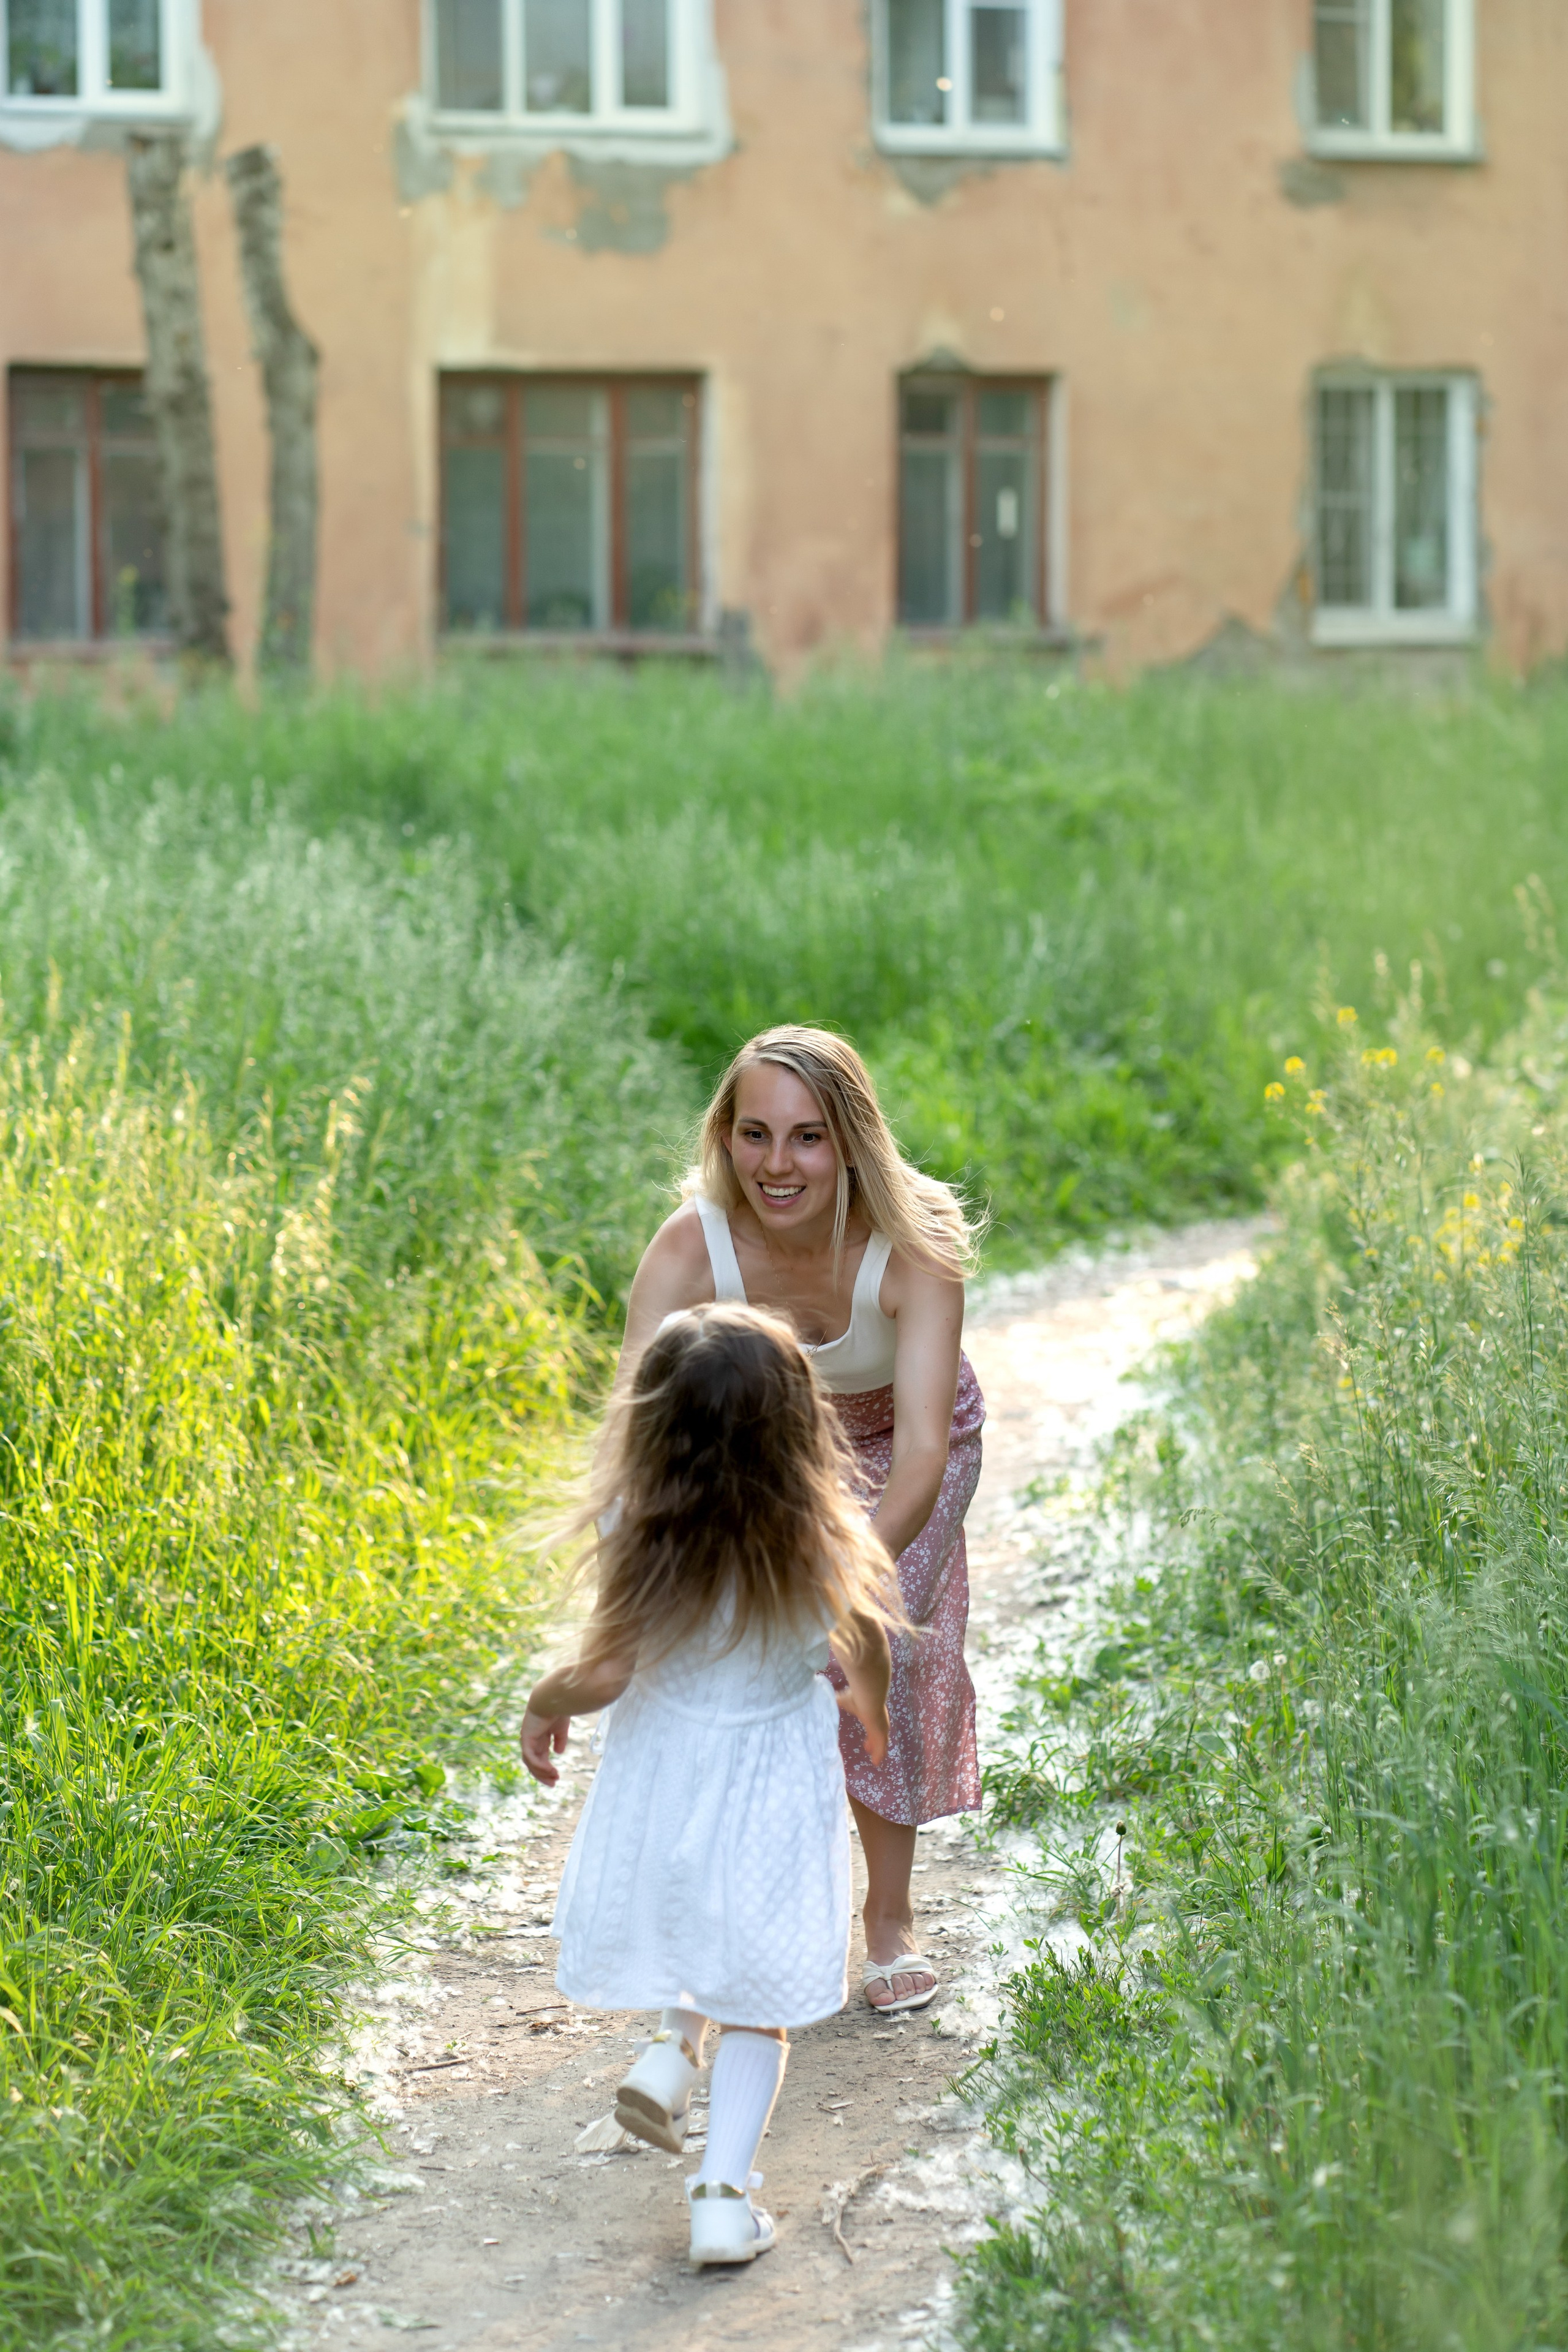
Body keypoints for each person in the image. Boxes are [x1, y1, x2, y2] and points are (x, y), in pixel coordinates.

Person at [616, 1025, 984, 2017]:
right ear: (725, 1137)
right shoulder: (693, 1247)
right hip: (770, 1453)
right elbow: (637, 1422)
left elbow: (920, 1451)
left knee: (877, 1643)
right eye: (756, 1134)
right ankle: (758, 1915)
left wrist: (840, 1578)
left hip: (905, 1447)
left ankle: (889, 1919)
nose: (778, 1164)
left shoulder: (917, 1242)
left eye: (809, 1137)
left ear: (851, 1142)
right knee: (754, 1666)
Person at [518, 1302, 895, 2267]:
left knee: (695, 1915)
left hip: (668, 1773)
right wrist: (871, 1706)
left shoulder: (636, 1526)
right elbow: (862, 1641)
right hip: (770, 1784)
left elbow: (604, 1673)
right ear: (796, 1425)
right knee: (755, 1990)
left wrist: (546, 1700)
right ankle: (723, 2201)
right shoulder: (819, 1534)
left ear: (652, 1424)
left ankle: (667, 2056)